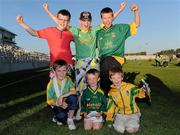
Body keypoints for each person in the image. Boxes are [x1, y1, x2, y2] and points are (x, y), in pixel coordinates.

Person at [43, 2, 126, 120]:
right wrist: (48, 11)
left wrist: (120, 9)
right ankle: (81, 110)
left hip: (93, 62)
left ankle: (97, 109)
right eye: (83, 20)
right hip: (80, 62)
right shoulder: (75, 31)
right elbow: (60, 22)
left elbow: (108, 20)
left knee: (94, 85)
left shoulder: (94, 30)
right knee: (80, 88)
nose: (86, 23)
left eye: (88, 21)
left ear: (90, 21)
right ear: (79, 21)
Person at [96, 4, 140, 95]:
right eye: (104, 18)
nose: (107, 20)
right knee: (105, 80)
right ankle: (107, 100)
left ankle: (118, 99)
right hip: (104, 61)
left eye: (109, 17)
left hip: (116, 59)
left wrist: (135, 11)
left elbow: (136, 24)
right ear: (101, 19)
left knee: (114, 78)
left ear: (113, 17)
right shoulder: (98, 33)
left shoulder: (120, 28)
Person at [106, 67, 149, 134]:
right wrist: (109, 119)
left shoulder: (130, 87)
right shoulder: (111, 92)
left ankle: (134, 122)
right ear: (110, 79)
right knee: (120, 130)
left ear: (122, 77)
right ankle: (122, 122)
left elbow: (138, 93)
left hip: (133, 113)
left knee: (130, 130)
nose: (116, 80)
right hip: (120, 114)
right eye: (113, 78)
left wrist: (143, 91)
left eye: (118, 77)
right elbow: (110, 107)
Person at [46, 59, 78, 130]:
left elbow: (74, 91)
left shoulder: (68, 79)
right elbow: (49, 101)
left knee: (73, 97)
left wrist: (62, 96)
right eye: (59, 71)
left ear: (67, 71)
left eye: (64, 70)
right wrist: (59, 103)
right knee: (62, 119)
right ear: (54, 72)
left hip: (66, 102)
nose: (62, 73)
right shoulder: (50, 84)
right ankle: (58, 116)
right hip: (57, 104)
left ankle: (70, 119)